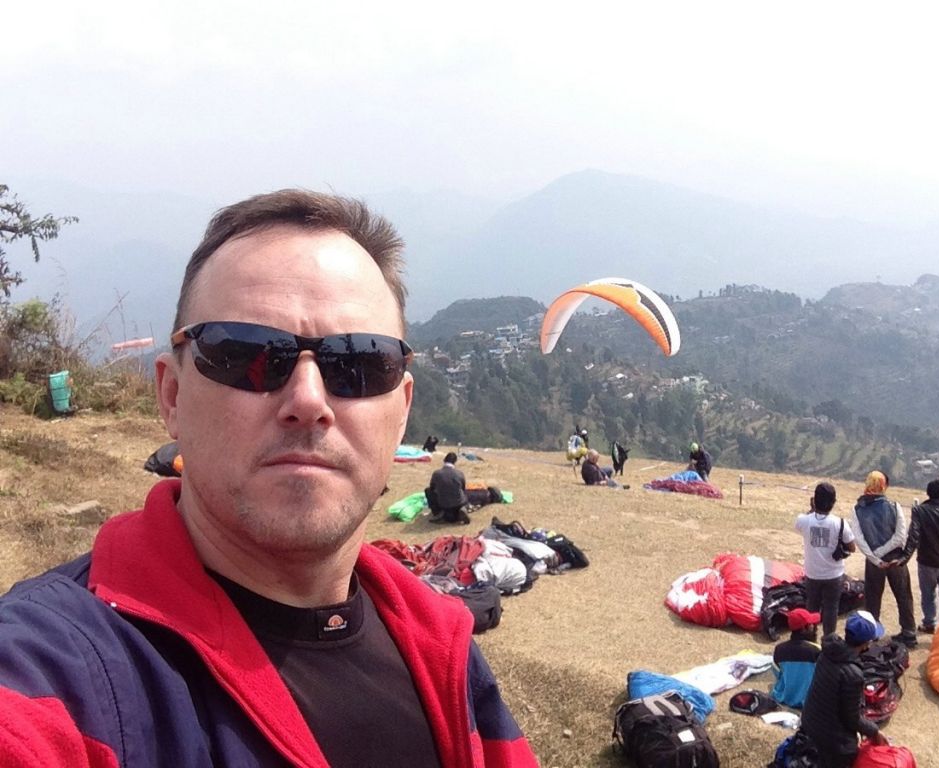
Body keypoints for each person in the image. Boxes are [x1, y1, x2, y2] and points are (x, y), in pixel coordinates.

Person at [0, 190, 537, 766]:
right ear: (172, 395)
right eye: (248, 355)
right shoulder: (58, 671)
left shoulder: (445, 649)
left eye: (359, 363)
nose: (308, 401)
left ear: (402, 409)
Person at [801, 611, 890, 768]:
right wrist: (874, 731)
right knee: (847, 752)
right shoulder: (853, 674)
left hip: (810, 722)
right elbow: (852, 718)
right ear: (866, 644)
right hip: (830, 740)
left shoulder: (828, 651)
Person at [849, 470, 918, 647]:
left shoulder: (857, 509)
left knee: (872, 598)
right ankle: (909, 633)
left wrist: (876, 557)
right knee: (904, 596)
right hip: (896, 558)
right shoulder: (894, 506)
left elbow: (859, 539)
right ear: (883, 486)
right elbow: (900, 536)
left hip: (873, 561)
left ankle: (871, 634)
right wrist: (884, 553)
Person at [794, 482, 856, 636]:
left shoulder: (803, 520)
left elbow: (801, 523)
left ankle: (810, 636)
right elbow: (852, 547)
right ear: (834, 502)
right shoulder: (840, 523)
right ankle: (829, 639)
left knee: (811, 607)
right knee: (831, 608)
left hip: (812, 574)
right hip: (834, 574)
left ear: (814, 500)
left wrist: (812, 509)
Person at [900, 479, 939, 634]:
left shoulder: (920, 511)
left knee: (928, 594)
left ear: (927, 493)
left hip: (926, 560)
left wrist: (904, 558)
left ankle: (929, 623)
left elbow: (913, 536)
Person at [771, 607, 822, 709]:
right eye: (811, 625)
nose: (815, 627)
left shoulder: (779, 649)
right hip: (810, 701)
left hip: (784, 697)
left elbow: (778, 674)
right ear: (805, 628)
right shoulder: (817, 650)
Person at [426, 451, 471, 524]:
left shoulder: (437, 473)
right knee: (463, 494)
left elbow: (432, 488)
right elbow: (463, 488)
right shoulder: (460, 473)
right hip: (459, 503)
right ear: (455, 462)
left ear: (444, 460)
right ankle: (463, 509)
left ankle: (437, 512)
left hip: (443, 504)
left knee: (428, 491)